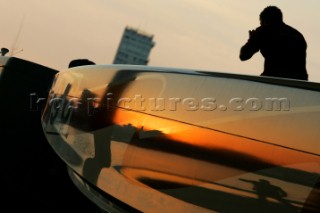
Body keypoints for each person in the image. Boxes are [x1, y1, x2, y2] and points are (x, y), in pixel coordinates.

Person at [239, 6, 308, 80]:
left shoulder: (264, 31)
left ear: (265, 21)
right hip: (299, 84)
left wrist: (251, 39)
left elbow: (243, 55)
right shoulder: (297, 35)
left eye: (261, 23)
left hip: (274, 81)